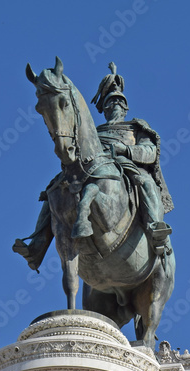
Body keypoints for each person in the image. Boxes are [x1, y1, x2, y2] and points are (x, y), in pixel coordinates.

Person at [73, 64, 173, 256]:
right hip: (95, 170)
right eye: (111, 102)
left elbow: (150, 151)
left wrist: (125, 150)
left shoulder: (136, 127)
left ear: (126, 107)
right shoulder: (94, 133)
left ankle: (155, 227)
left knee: (146, 182)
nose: (116, 105)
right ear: (104, 108)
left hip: (128, 167)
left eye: (120, 101)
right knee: (56, 189)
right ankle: (38, 243)